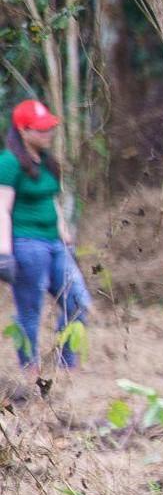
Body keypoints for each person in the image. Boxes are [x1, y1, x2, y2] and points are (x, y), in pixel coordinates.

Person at [0, 99, 89, 370]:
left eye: (48, 128)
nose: (47, 134)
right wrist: (4, 254)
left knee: (78, 302)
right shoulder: (9, 162)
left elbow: (53, 202)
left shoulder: (47, 162)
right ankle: (30, 371)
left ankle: (66, 366)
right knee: (30, 312)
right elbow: (2, 209)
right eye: (40, 130)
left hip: (53, 243)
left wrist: (66, 239)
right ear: (23, 131)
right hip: (27, 244)